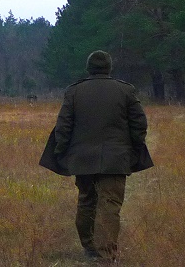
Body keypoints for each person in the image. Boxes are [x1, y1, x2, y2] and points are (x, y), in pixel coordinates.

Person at [39, 50, 152, 262]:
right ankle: (105, 256)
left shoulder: (74, 92)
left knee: (87, 201)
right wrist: (135, 148)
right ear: (109, 68)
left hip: (83, 160)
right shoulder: (125, 91)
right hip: (116, 160)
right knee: (109, 205)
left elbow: (63, 127)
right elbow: (139, 124)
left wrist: (61, 151)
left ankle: (90, 248)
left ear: (88, 68)